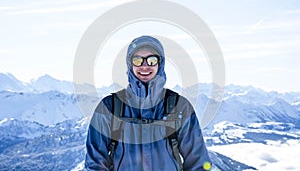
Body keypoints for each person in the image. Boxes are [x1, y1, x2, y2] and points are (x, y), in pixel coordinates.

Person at [85, 36, 213, 171]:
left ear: (160, 63)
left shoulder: (179, 106)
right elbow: (95, 164)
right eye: (138, 60)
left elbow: (199, 162)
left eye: (152, 60)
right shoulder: (109, 107)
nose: (145, 66)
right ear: (130, 64)